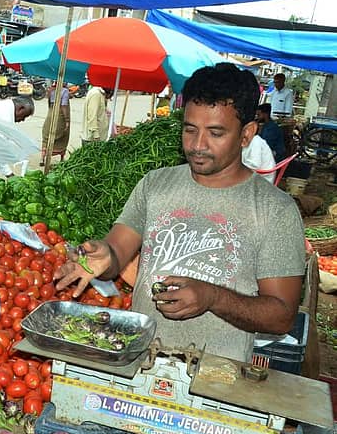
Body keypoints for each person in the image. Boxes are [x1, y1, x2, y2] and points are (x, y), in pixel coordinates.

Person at [55, 63, 306, 363]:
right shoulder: (155, 184)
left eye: (215, 133)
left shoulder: (274, 210)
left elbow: (281, 316)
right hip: (140, 364)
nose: (198, 145)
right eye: (190, 130)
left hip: (215, 382)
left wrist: (213, 298)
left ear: (247, 134)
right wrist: (103, 256)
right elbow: (116, 253)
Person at [42, 81, 70, 162]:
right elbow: (64, 106)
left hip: (50, 114)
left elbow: (49, 103)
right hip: (60, 116)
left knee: (47, 135)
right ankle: (61, 158)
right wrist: (67, 120)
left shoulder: (51, 90)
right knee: (63, 135)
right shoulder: (65, 91)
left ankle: (42, 157)